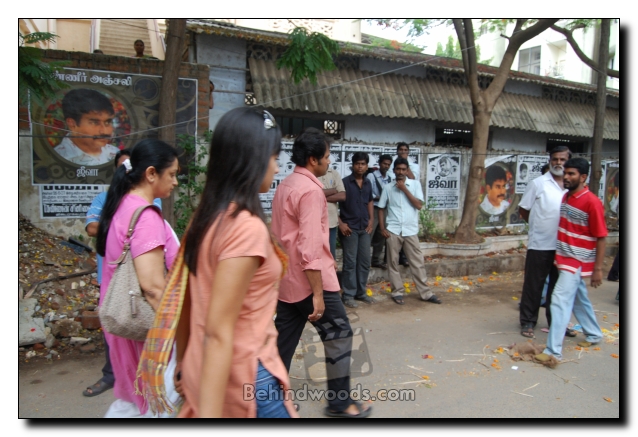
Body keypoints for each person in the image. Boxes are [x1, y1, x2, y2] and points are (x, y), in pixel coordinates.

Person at [153, 108, 297, 418]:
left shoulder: (205, 219)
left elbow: (186, 301)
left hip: (201, 366)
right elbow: (218, 333)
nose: (276, 166)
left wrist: (183, 361)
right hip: (241, 377)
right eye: (274, 156)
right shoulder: (246, 228)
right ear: (255, 158)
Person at [271, 127, 372, 418]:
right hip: (310, 280)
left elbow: (279, 236)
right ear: (313, 160)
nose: (329, 162)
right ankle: (340, 403)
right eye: (327, 157)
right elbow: (310, 247)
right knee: (339, 332)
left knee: (283, 342)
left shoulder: (285, 185)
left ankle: (272, 400)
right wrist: (318, 292)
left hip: (287, 279)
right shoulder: (312, 190)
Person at [96, 139, 180, 417]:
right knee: (156, 402)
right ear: (151, 173)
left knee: (134, 401)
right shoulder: (145, 216)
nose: (175, 182)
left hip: (124, 321)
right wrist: (179, 331)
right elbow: (153, 287)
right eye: (172, 174)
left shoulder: (122, 206)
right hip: (145, 326)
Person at [82, 149, 164, 398]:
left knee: (137, 328)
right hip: (111, 276)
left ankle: (137, 384)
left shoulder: (148, 204)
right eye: (123, 166)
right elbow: (91, 228)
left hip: (137, 278)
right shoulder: (105, 199)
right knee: (114, 322)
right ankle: (114, 376)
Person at [535, 158, 606, 364]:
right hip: (563, 258)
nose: (566, 177)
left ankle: (553, 351)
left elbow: (601, 236)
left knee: (558, 301)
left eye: (571, 174)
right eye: (565, 173)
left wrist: (598, 269)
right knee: (576, 299)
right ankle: (594, 333)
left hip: (576, 260)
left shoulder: (592, 202)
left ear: (583, 177)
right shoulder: (566, 196)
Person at [518, 146, 574, 339]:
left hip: (564, 247)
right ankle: (527, 322)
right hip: (540, 244)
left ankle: (557, 323)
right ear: (550, 161)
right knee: (534, 285)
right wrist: (538, 225)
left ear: (569, 161)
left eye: (562, 160)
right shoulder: (538, 183)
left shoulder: (571, 187)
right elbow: (524, 210)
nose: (559, 163)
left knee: (558, 289)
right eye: (555, 159)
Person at [378, 158, 442, 306]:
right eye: (398, 169)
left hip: (410, 230)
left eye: (403, 169)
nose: (400, 172)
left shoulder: (415, 185)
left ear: (407, 171)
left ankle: (426, 293)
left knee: (417, 262)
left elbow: (418, 205)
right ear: (393, 171)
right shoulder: (388, 188)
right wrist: (382, 228)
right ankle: (397, 292)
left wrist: (404, 189)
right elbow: (381, 208)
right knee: (392, 263)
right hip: (393, 230)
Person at [338, 152, 375, 308]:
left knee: (365, 261)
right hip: (349, 229)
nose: (360, 166)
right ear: (352, 165)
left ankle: (361, 293)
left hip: (364, 228)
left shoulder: (367, 183)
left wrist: (371, 219)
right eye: (357, 163)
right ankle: (348, 294)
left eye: (363, 164)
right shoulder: (344, 183)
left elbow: (370, 202)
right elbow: (332, 205)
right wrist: (340, 223)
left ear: (367, 166)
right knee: (350, 262)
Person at [54, 89, 120, 165]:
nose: (104, 131)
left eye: (107, 122)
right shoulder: (57, 158)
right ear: (72, 124)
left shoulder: (116, 154)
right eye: (95, 123)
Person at [367, 154, 393, 269]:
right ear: (379, 163)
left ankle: (376, 260)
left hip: (384, 209)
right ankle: (365, 261)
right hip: (373, 208)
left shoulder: (389, 178)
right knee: (369, 235)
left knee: (381, 235)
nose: (386, 166)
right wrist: (380, 197)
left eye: (388, 164)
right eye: (384, 164)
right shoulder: (371, 176)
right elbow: (368, 193)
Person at [317, 167, 346, 260]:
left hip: (331, 222)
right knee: (315, 255)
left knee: (330, 256)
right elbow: (311, 194)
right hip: (315, 222)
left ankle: (330, 274)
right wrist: (333, 190)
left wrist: (320, 196)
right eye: (326, 157)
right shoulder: (311, 174)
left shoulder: (334, 173)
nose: (328, 161)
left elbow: (342, 196)